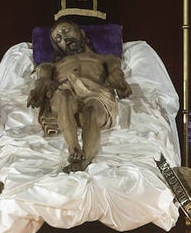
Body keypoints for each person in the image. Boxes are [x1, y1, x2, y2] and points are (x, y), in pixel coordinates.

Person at [27, 20, 131, 173]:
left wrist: (120, 85)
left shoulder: (107, 59)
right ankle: (74, 150)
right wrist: (38, 92)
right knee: (64, 95)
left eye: (66, 30)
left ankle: (86, 159)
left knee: (91, 110)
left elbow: (116, 75)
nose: (64, 38)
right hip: (65, 98)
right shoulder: (51, 66)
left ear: (81, 33)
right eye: (58, 39)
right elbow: (43, 80)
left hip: (97, 95)